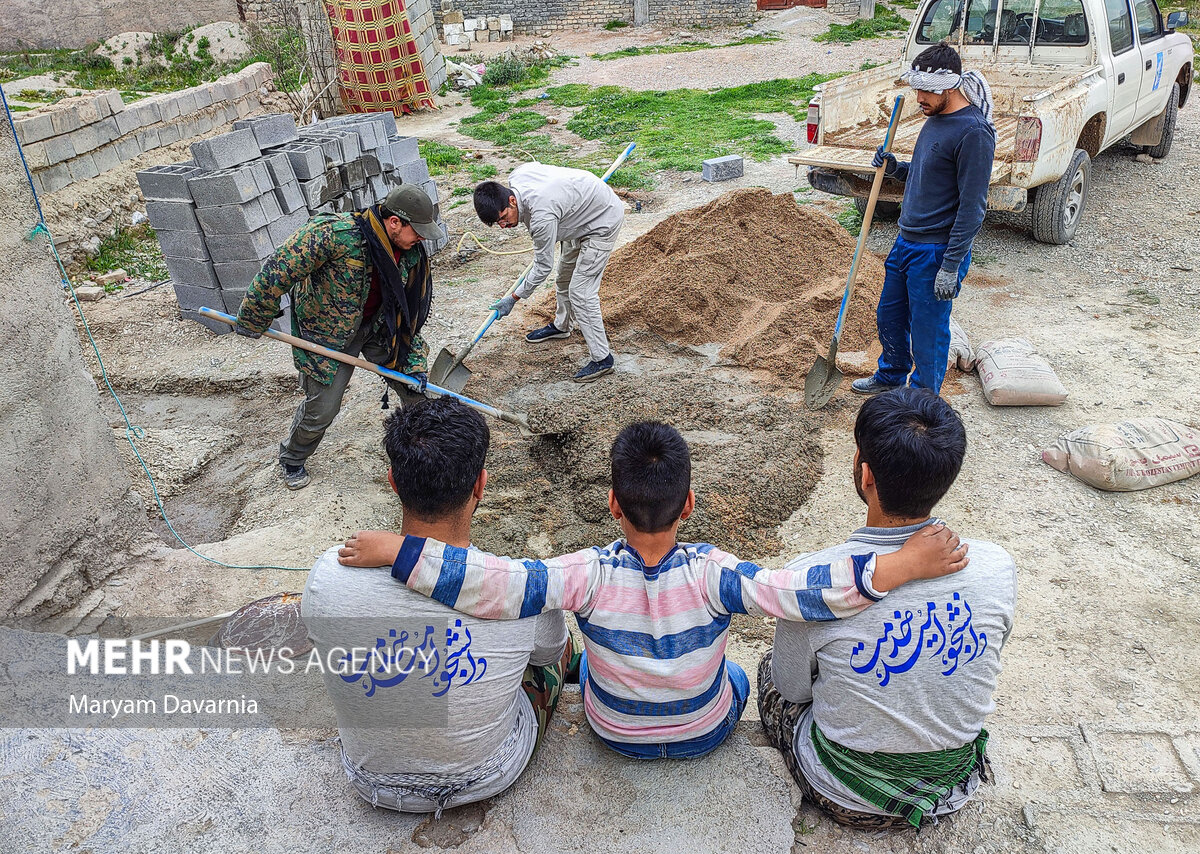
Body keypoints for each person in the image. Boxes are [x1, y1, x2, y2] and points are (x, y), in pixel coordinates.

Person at [337, 421, 969, 760]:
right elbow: (799, 592)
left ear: (611, 503)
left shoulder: (581, 573)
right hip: (704, 732)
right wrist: (896, 568)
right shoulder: (716, 572)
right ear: (689, 503)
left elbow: (489, 583)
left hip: (612, 733)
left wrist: (401, 550)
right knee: (744, 681)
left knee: (581, 663)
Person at [301, 397, 575, 815]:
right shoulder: (521, 589)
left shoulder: (327, 575)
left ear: (393, 480)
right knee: (556, 649)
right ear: (480, 485)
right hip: (487, 773)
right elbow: (549, 653)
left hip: (368, 778)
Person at [757, 388, 1016, 829]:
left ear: (865, 473)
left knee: (769, 673)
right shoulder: (996, 566)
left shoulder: (815, 580)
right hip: (951, 786)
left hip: (846, 796)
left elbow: (793, 689)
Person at [234, 184, 445, 490]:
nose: (422, 239)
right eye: (419, 231)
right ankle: (292, 458)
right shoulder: (334, 234)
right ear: (395, 222)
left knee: (416, 390)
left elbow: (407, 315)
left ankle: (426, 455)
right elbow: (277, 272)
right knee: (323, 408)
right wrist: (254, 316)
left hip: (377, 327)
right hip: (326, 334)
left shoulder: (410, 253)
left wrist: (412, 361)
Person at [853, 41, 997, 397]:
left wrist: (950, 265)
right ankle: (890, 376)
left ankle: (920, 400)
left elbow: (973, 206)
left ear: (950, 86)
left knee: (928, 331)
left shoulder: (974, 133)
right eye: (917, 88)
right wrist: (896, 169)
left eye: (927, 90)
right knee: (890, 316)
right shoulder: (935, 118)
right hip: (906, 242)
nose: (919, 97)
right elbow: (928, 172)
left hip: (935, 251)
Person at [473, 163, 625, 383]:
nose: (503, 226)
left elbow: (542, 266)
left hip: (602, 219)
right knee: (563, 278)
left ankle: (602, 359)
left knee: (581, 292)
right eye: (497, 223)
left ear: (512, 200)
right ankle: (562, 326)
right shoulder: (518, 174)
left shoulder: (541, 217)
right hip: (576, 214)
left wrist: (514, 298)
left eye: (504, 217)